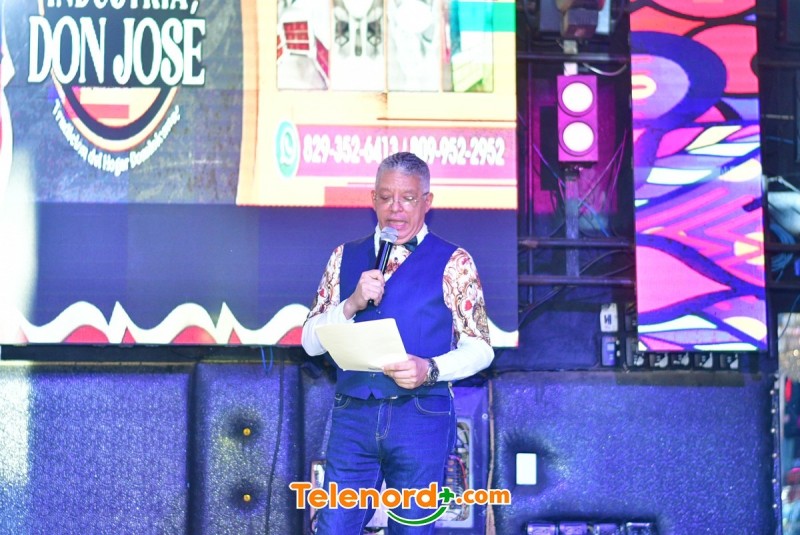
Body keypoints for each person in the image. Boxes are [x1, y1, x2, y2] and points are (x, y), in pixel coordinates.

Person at [301, 151, 493, 533]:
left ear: (427, 201)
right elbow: (310, 342)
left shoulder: (454, 262)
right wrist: (351, 303)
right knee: (333, 527)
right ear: (372, 199)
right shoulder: (344, 256)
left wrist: (430, 369)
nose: (396, 209)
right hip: (354, 414)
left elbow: (481, 347)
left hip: (420, 415)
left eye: (407, 198)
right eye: (386, 197)